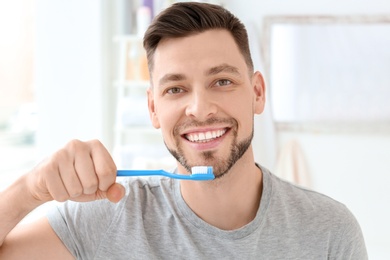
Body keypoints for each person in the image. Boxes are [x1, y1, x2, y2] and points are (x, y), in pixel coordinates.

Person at [0, 2, 367, 259]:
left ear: (257, 93)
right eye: (175, 89)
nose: (200, 108)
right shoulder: (108, 218)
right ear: (153, 109)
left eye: (222, 81)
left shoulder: (329, 233)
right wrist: (28, 190)